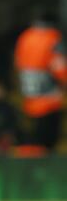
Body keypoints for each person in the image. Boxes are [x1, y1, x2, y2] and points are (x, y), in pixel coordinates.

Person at [14, 9, 67, 152]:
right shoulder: (52, 37)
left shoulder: (25, 37)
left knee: (32, 145)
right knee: (48, 146)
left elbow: (18, 65)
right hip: (49, 102)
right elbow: (59, 67)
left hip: (29, 101)